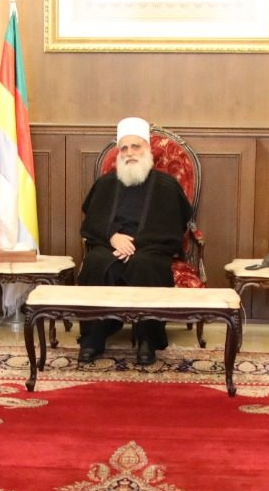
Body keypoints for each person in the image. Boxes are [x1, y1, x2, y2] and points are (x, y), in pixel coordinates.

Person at [76, 117, 193, 365]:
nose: (129, 153)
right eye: (124, 148)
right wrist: (112, 236)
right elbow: (92, 221)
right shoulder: (106, 184)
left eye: (135, 146)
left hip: (150, 248)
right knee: (96, 262)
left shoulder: (166, 185)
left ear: (147, 149)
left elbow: (173, 227)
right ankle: (93, 339)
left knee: (145, 264)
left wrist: (135, 244)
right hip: (110, 245)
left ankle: (147, 340)